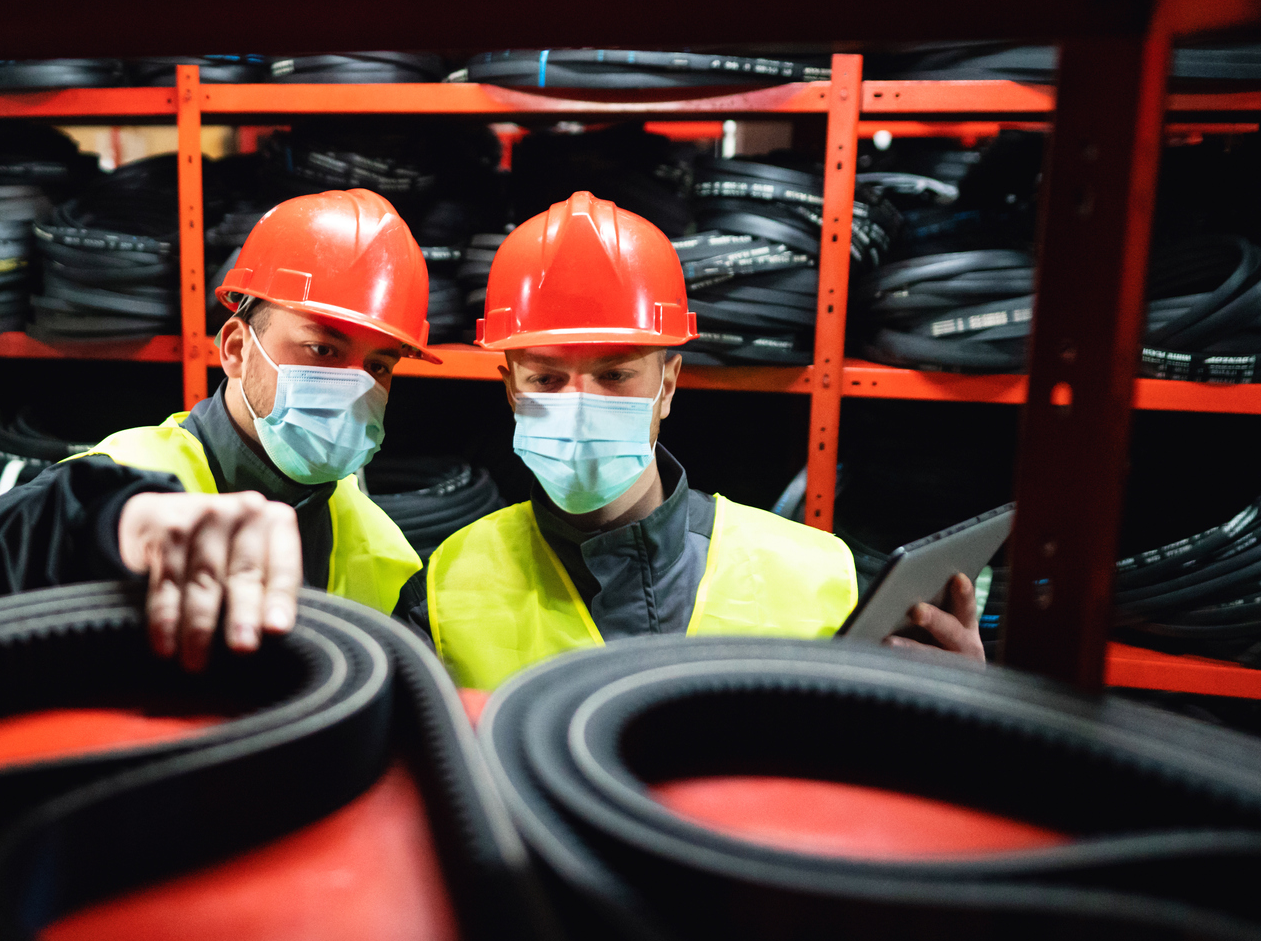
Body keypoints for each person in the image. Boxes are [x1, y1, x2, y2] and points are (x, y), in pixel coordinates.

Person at [405, 191, 983, 691]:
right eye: (546, 379)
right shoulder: (442, 587)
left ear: (668, 384)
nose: (580, 407)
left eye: (615, 374)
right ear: (510, 390)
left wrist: (950, 707)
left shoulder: (817, 578)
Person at [0, 188, 433, 669]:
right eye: (322, 350)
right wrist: (106, 526)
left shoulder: (387, 555)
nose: (353, 387)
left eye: (378, 366)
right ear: (236, 350)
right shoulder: (122, 481)